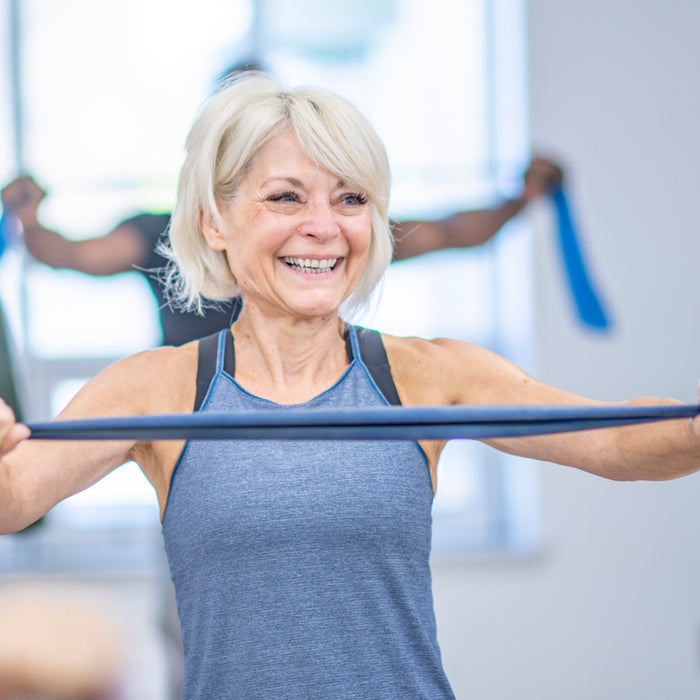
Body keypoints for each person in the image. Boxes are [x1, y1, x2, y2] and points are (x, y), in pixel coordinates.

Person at [0, 72, 697, 699]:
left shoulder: (429, 375)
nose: (324, 228)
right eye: (285, 197)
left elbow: (613, 440)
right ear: (214, 219)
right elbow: (15, 498)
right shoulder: (155, 390)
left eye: (351, 198)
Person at [1, 161, 561, 346]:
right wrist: (28, 218)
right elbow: (69, 254)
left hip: (302, 421)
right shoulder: (161, 232)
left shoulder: (322, 226)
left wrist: (521, 199)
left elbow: (446, 233)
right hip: (195, 433)